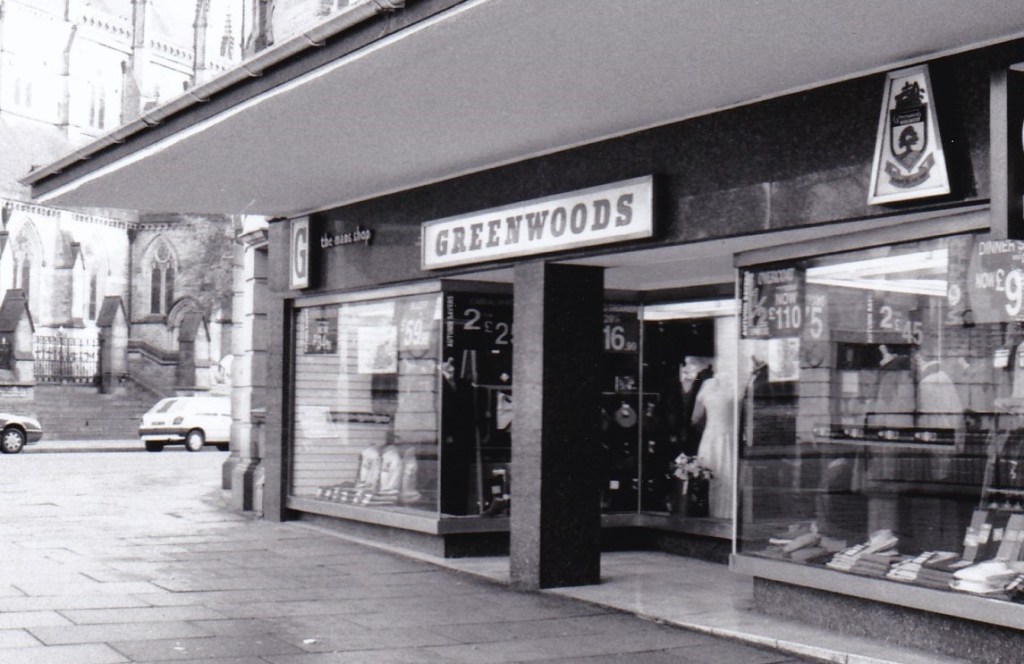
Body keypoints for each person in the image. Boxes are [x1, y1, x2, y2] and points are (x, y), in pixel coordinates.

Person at [692, 375, 735, 519]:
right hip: (723, 435)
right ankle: (721, 511)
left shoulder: (707, 386)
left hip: (711, 435)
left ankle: (706, 509)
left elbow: (695, 418)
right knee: (720, 472)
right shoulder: (731, 387)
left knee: (710, 470)